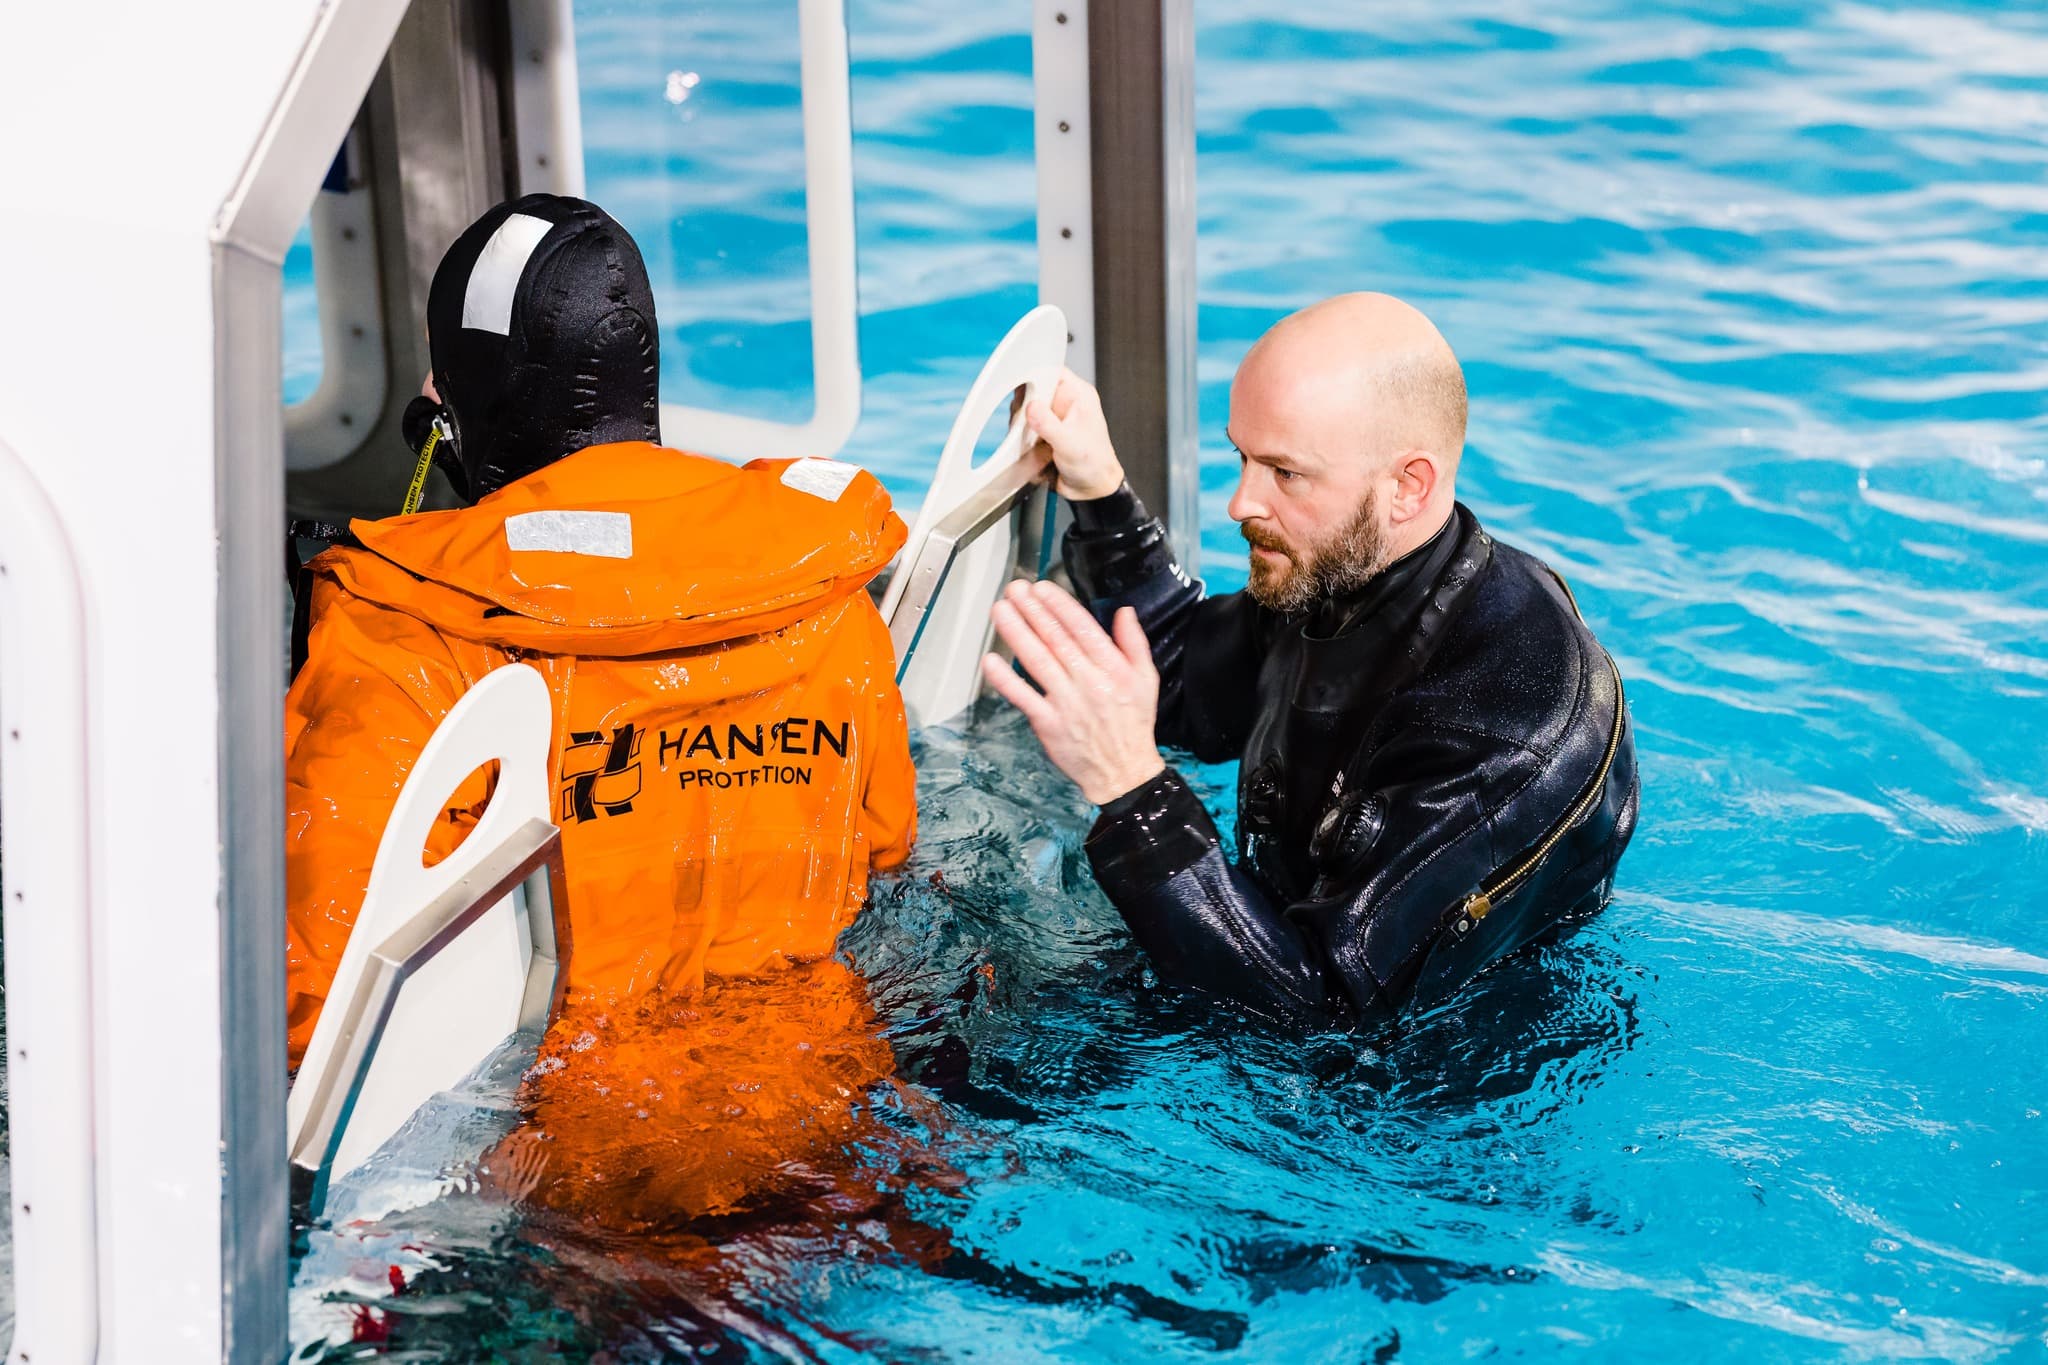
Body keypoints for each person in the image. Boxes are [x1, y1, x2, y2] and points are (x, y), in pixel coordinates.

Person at [284, 196, 919, 1194]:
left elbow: (322, 1006)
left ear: (458, 400)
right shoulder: (826, 596)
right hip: (827, 1124)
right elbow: (885, 854)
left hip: (555, 1184)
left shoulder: (405, 629)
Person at [984, 292, 1638, 1027]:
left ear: (1408, 486)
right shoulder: (1339, 570)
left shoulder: (1506, 722)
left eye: (1285, 473)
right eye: (1241, 457)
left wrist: (1133, 789)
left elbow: (1325, 1017)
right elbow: (1184, 685)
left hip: (1429, 1072)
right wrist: (1100, 494)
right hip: (1269, 965)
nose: (1240, 502)